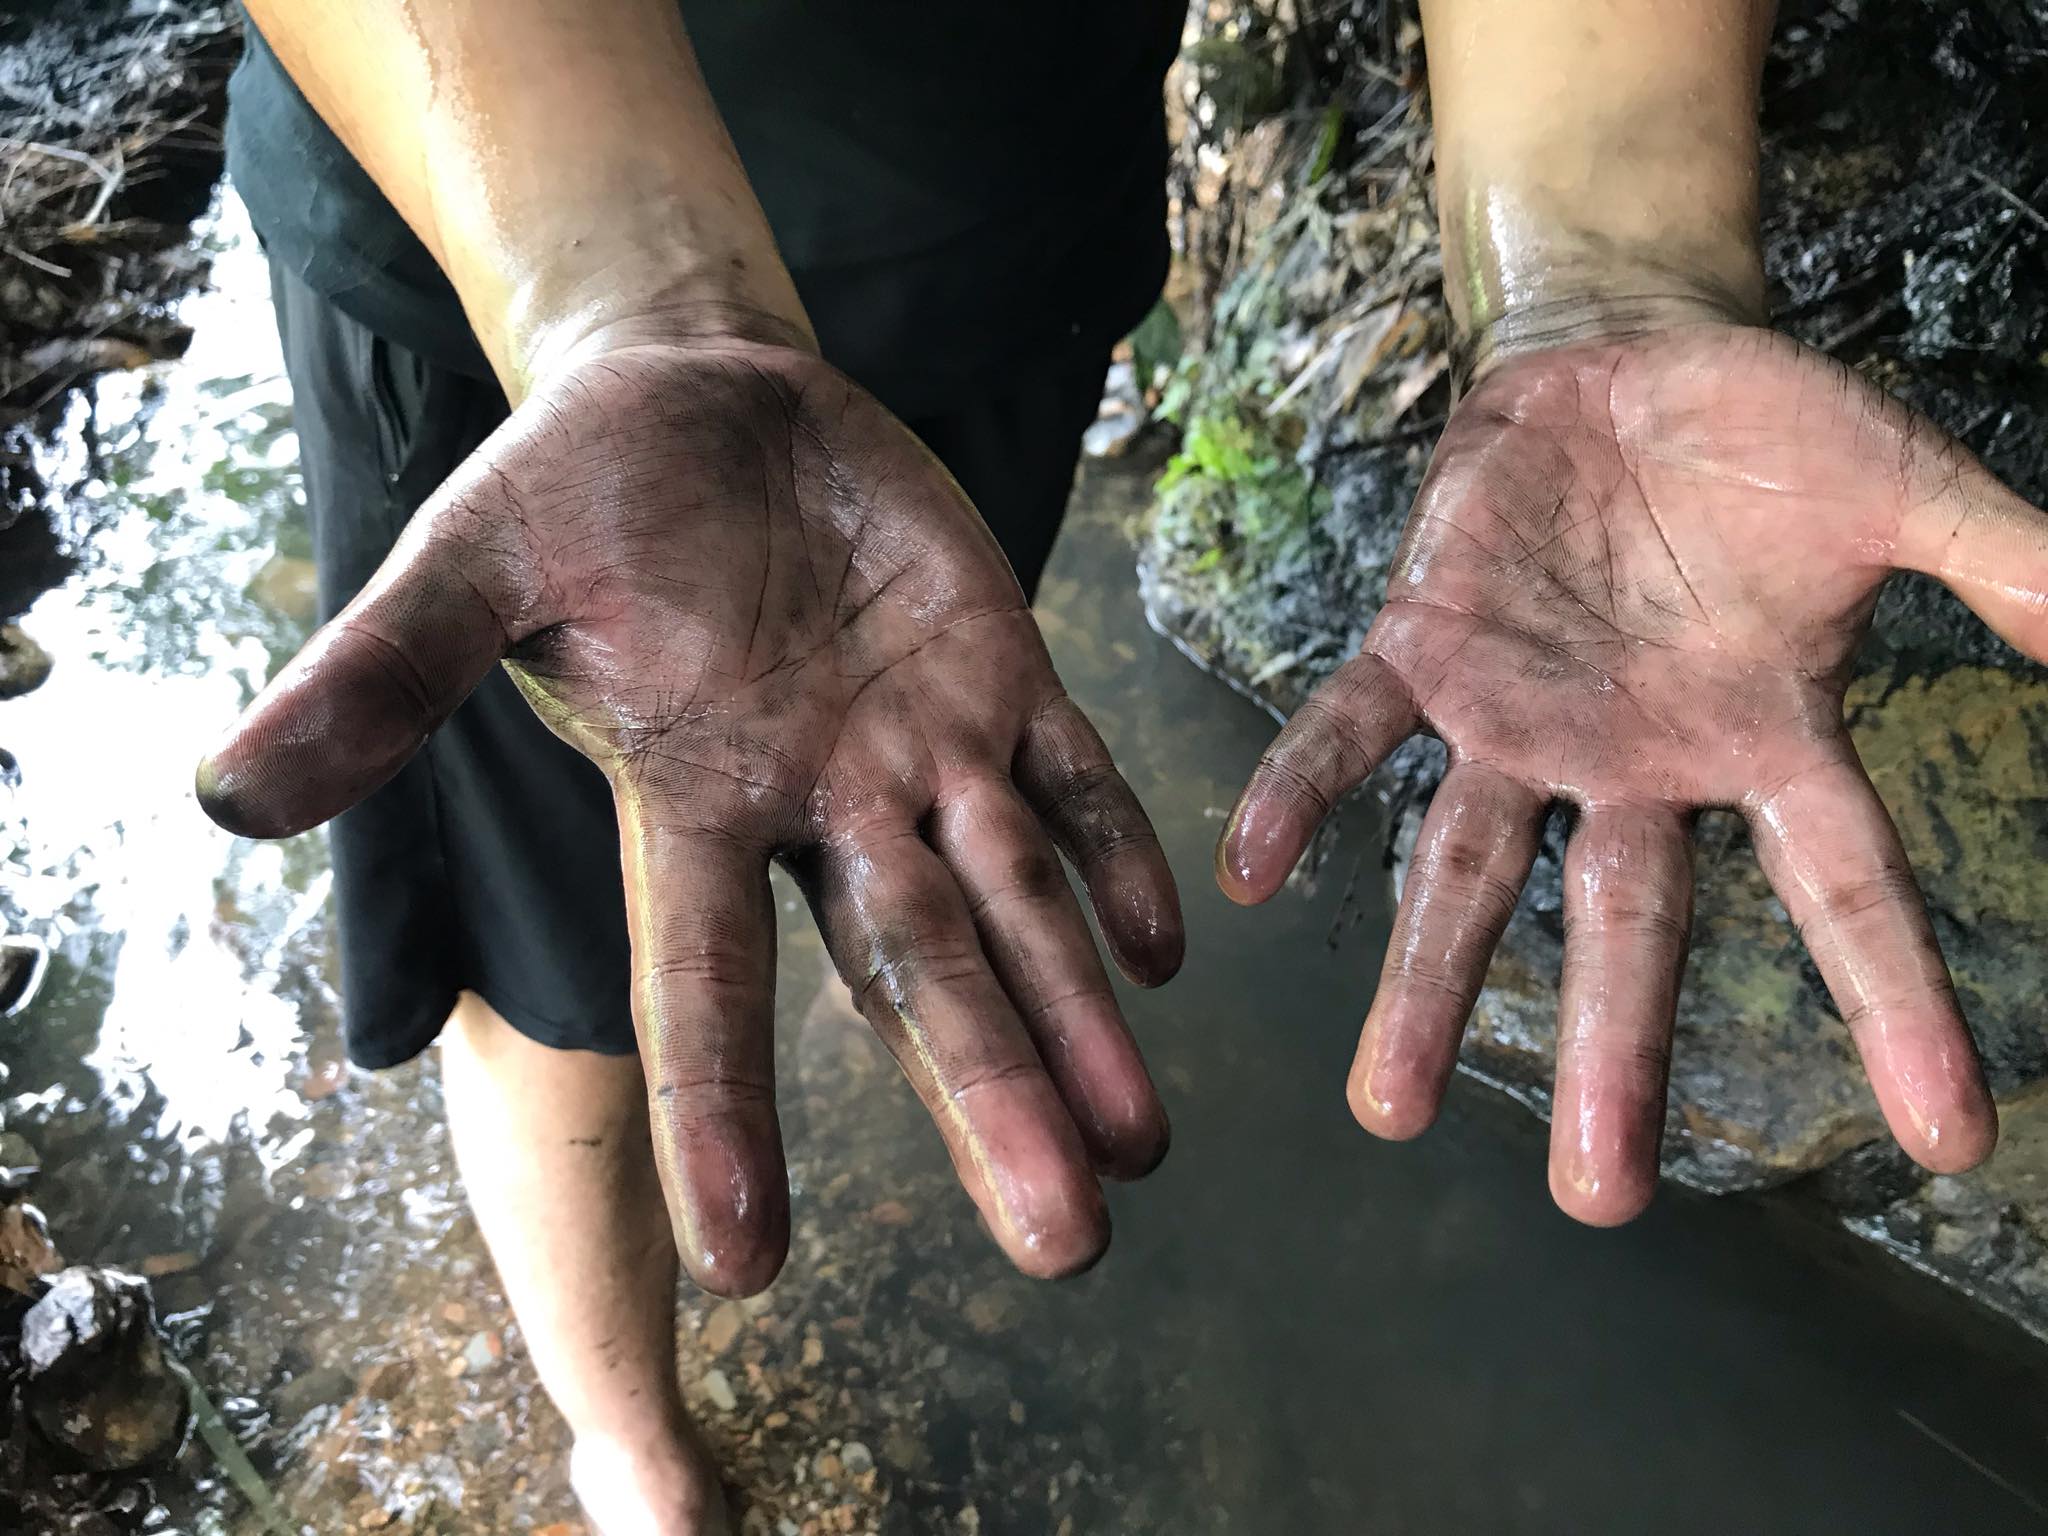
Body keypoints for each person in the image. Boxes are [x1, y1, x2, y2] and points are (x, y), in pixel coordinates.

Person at [203, 1, 2048, 1531]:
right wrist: (629, 300)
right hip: (508, 264)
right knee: (564, 962)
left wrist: (1600, 275)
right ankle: (628, 1435)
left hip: (1003, 226)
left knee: (905, 755)